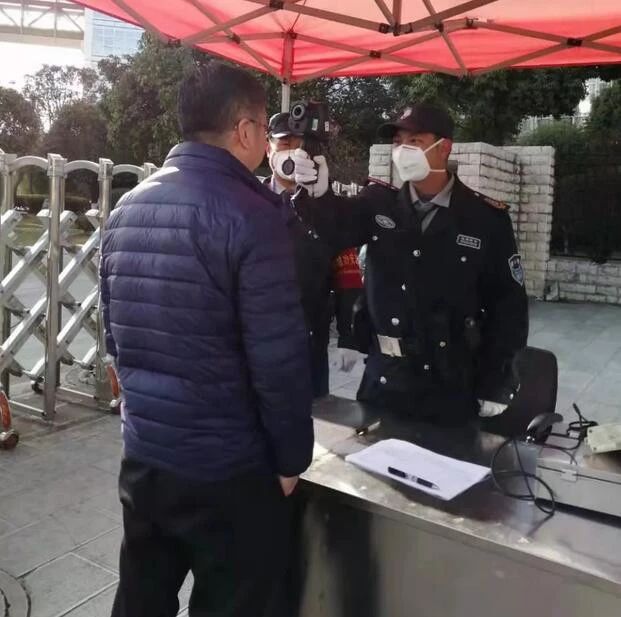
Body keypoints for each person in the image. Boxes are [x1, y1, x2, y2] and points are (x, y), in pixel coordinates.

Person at [99, 61, 314, 617]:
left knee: (141, 598)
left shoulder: (125, 208)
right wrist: (291, 460)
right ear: (244, 130)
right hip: (228, 470)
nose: (264, 141)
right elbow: (279, 360)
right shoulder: (254, 216)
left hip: (146, 458)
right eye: (263, 128)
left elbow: (115, 337)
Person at [292, 102, 528, 424]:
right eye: (397, 142)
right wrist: (317, 196)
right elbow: (336, 228)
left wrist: (497, 380)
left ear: (443, 148)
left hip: (451, 383)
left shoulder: (484, 219)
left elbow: (508, 306)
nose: (402, 150)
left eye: (414, 141)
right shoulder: (379, 204)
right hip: (386, 379)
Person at [265, 112, 363, 397]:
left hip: (309, 338)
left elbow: (348, 275)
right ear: (268, 149)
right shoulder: (249, 202)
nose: (293, 152)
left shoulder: (326, 207)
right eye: (284, 144)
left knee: (311, 415)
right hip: (259, 337)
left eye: (299, 145)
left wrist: (349, 336)